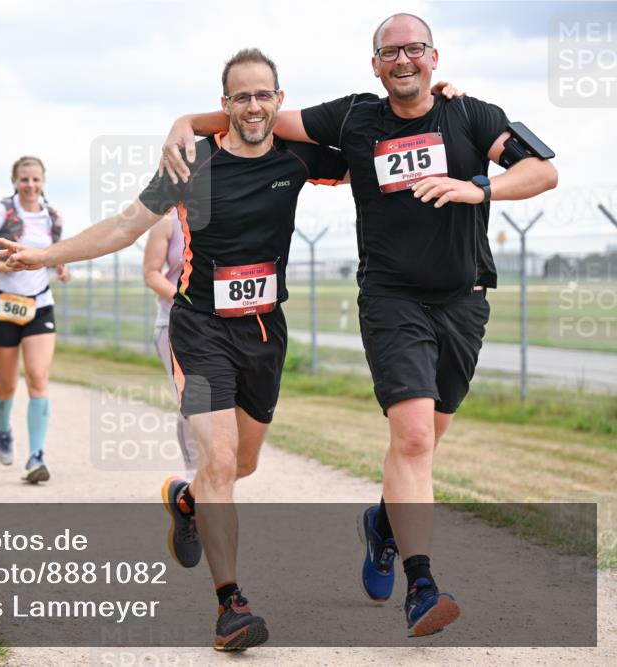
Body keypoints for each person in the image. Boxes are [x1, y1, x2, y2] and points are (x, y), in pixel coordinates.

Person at [160, 13, 558, 638]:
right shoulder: (354, 118)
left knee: (427, 437)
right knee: (415, 439)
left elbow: (542, 171)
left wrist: (476, 188)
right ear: (374, 64)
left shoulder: (472, 115)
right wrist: (185, 122)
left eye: (415, 49)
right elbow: (255, 115)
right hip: (391, 299)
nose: (403, 60)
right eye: (390, 51)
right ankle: (421, 588)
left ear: (434, 56)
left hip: (463, 299)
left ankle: (383, 524)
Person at [0, 49, 347, 651]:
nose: (254, 107)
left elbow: (380, 156)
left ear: (278, 101)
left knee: (241, 465)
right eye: (241, 96)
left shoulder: (298, 156)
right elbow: (124, 226)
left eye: (265, 95)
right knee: (222, 461)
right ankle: (231, 605)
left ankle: (185, 498)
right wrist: (43, 256)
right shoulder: (192, 162)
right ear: (224, 104)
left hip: (263, 332)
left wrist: (441, 110)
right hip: (199, 329)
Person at [0, 156, 71, 484]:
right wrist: (5, 267)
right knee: (8, 383)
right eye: (24, 179)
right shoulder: (1, 212)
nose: (30, 185)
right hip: (2, 305)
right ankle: (3, 429)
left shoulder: (53, 216)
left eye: (36, 180)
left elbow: (54, 255)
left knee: (38, 378)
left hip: (39, 305)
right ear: (15, 181)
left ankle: (36, 457)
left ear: (44, 181)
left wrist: (61, 268)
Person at [142, 209, 200, 482]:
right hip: (175, 322)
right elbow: (152, 273)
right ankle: (193, 474)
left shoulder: (224, 209)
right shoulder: (166, 222)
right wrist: (188, 302)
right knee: (191, 398)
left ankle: (217, 470)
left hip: (220, 324)